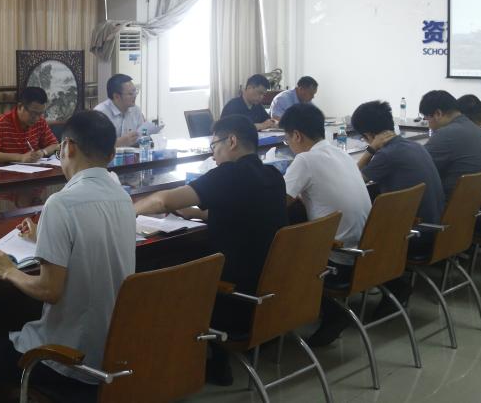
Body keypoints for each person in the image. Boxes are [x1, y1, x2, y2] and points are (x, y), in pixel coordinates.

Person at [0, 111, 135, 399]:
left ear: (68, 148)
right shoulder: (123, 198)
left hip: (65, 358)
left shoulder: (61, 203)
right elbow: (92, 242)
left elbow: (49, 290)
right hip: (112, 352)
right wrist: (43, 236)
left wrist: (8, 270)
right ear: (112, 154)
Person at [134, 114, 287, 385]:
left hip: (234, 300)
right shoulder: (272, 176)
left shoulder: (229, 174)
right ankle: (215, 359)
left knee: (155, 274)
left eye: (214, 146)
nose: (212, 154)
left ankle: (176, 366)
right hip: (268, 293)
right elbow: (243, 211)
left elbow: (161, 202)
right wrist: (194, 213)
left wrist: (127, 209)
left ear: (232, 141)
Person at [279, 103, 371, 347]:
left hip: (338, 259)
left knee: (276, 256)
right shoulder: (342, 154)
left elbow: (276, 204)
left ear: (296, 135)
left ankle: (330, 312)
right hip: (366, 252)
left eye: (287, 140)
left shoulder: (305, 160)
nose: (289, 145)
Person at [351, 99, 445, 318]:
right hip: (435, 227)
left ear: (369, 135)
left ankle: (394, 286)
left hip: (416, 235)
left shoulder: (387, 155)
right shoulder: (413, 145)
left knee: (353, 233)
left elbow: (353, 180)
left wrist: (370, 150)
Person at [419, 91, 481, 200]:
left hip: (457, 207)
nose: (429, 125)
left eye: (427, 119)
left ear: (438, 114)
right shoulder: (475, 128)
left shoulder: (447, 134)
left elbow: (418, 167)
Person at [0, 86, 61, 162]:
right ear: (20, 107)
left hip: (33, 170)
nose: (37, 118)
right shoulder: (0, 123)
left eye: (40, 114)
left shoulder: (40, 122)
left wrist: (42, 152)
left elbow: (56, 145)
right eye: (33, 113)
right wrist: (20, 157)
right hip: (5, 170)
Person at [93, 73, 161, 147]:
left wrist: (146, 138)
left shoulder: (136, 110)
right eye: (130, 94)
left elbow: (140, 136)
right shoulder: (100, 114)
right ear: (116, 96)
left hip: (133, 153)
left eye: (135, 91)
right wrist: (119, 142)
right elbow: (94, 146)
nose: (135, 96)